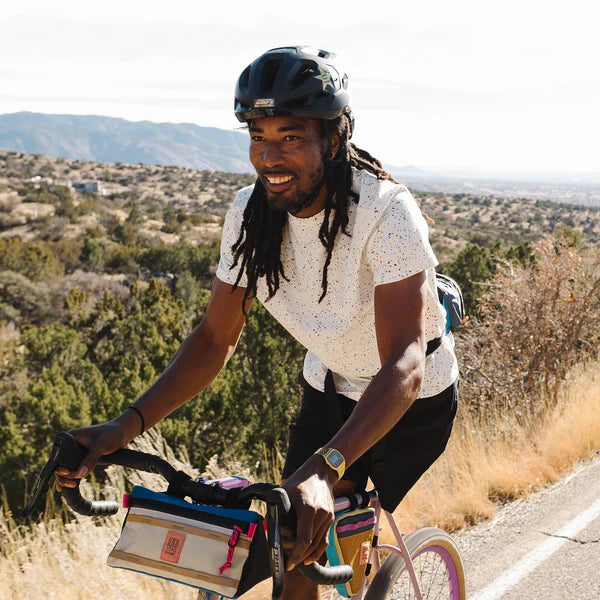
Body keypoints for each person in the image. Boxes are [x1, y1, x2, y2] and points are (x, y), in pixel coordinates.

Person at [55, 46, 459, 600]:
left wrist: (328, 465)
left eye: (290, 137)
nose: (269, 156)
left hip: (410, 399)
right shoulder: (250, 214)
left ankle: (358, 556)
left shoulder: (386, 212)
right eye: (257, 135)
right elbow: (215, 339)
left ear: (333, 140)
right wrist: (120, 429)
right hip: (332, 382)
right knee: (286, 540)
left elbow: (407, 363)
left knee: (317, 517)